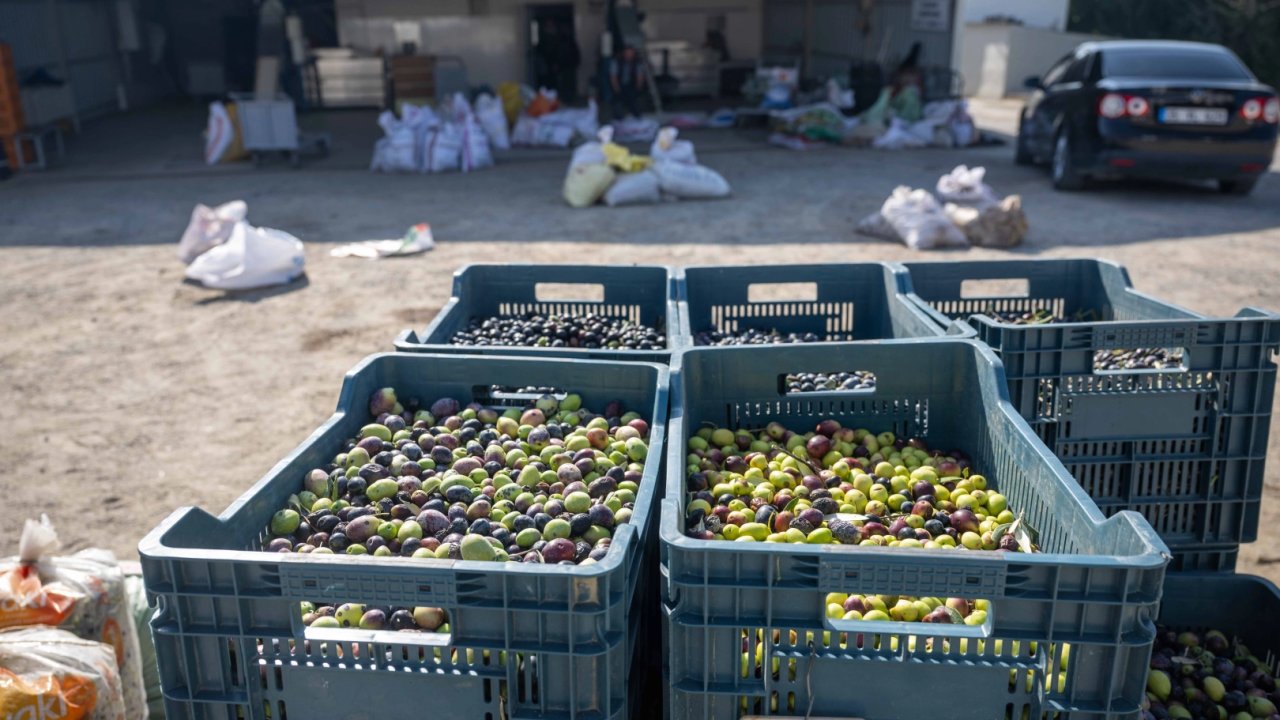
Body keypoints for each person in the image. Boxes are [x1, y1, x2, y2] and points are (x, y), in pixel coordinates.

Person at [609, 45, 647, 119]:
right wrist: (617, 90)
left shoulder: (637, 63)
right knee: (617, 101)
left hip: (631, 85)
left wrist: (637, 89)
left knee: (634, 101)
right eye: (627, 53)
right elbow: (613, 77)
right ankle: (619, 119)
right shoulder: (616, 62)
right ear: (623, 53)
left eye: (631, 53)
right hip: (619, 85)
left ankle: (637, 117)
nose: (629, 55)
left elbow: (640, 77)